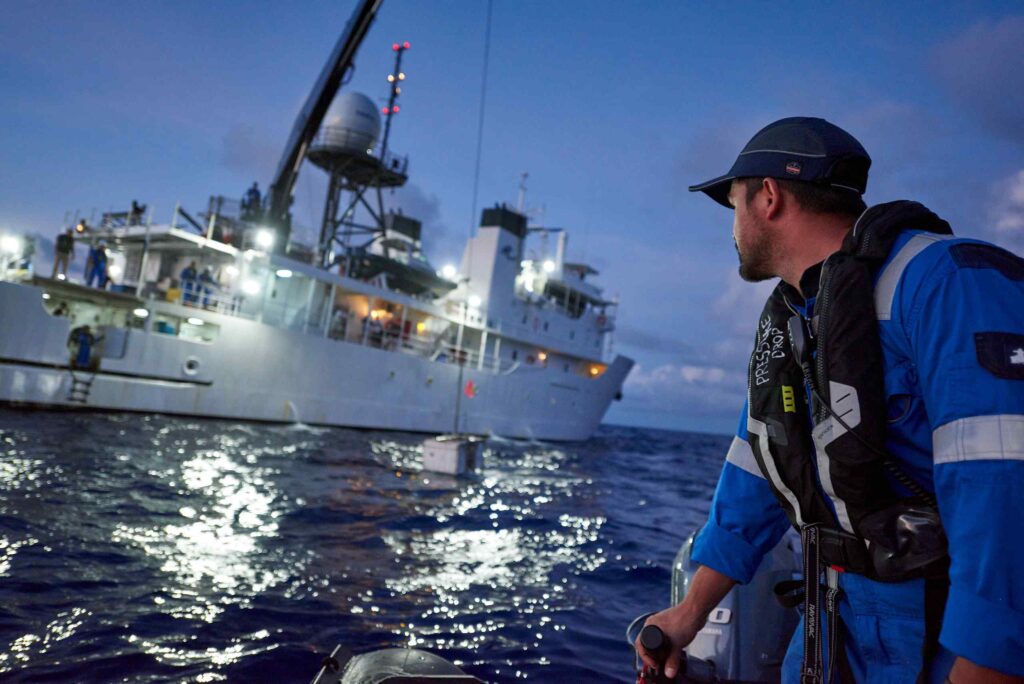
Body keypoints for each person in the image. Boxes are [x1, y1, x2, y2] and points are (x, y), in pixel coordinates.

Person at [637, 118, 1024, 683]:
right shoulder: (795, 323)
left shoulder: (947, 281)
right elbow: (757, 473)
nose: (734, 226)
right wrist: (689, 611)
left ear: (768, 197)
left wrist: (988, 661)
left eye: (733, 202)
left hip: (939, 629)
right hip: (828, 617)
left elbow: (1004, 485)